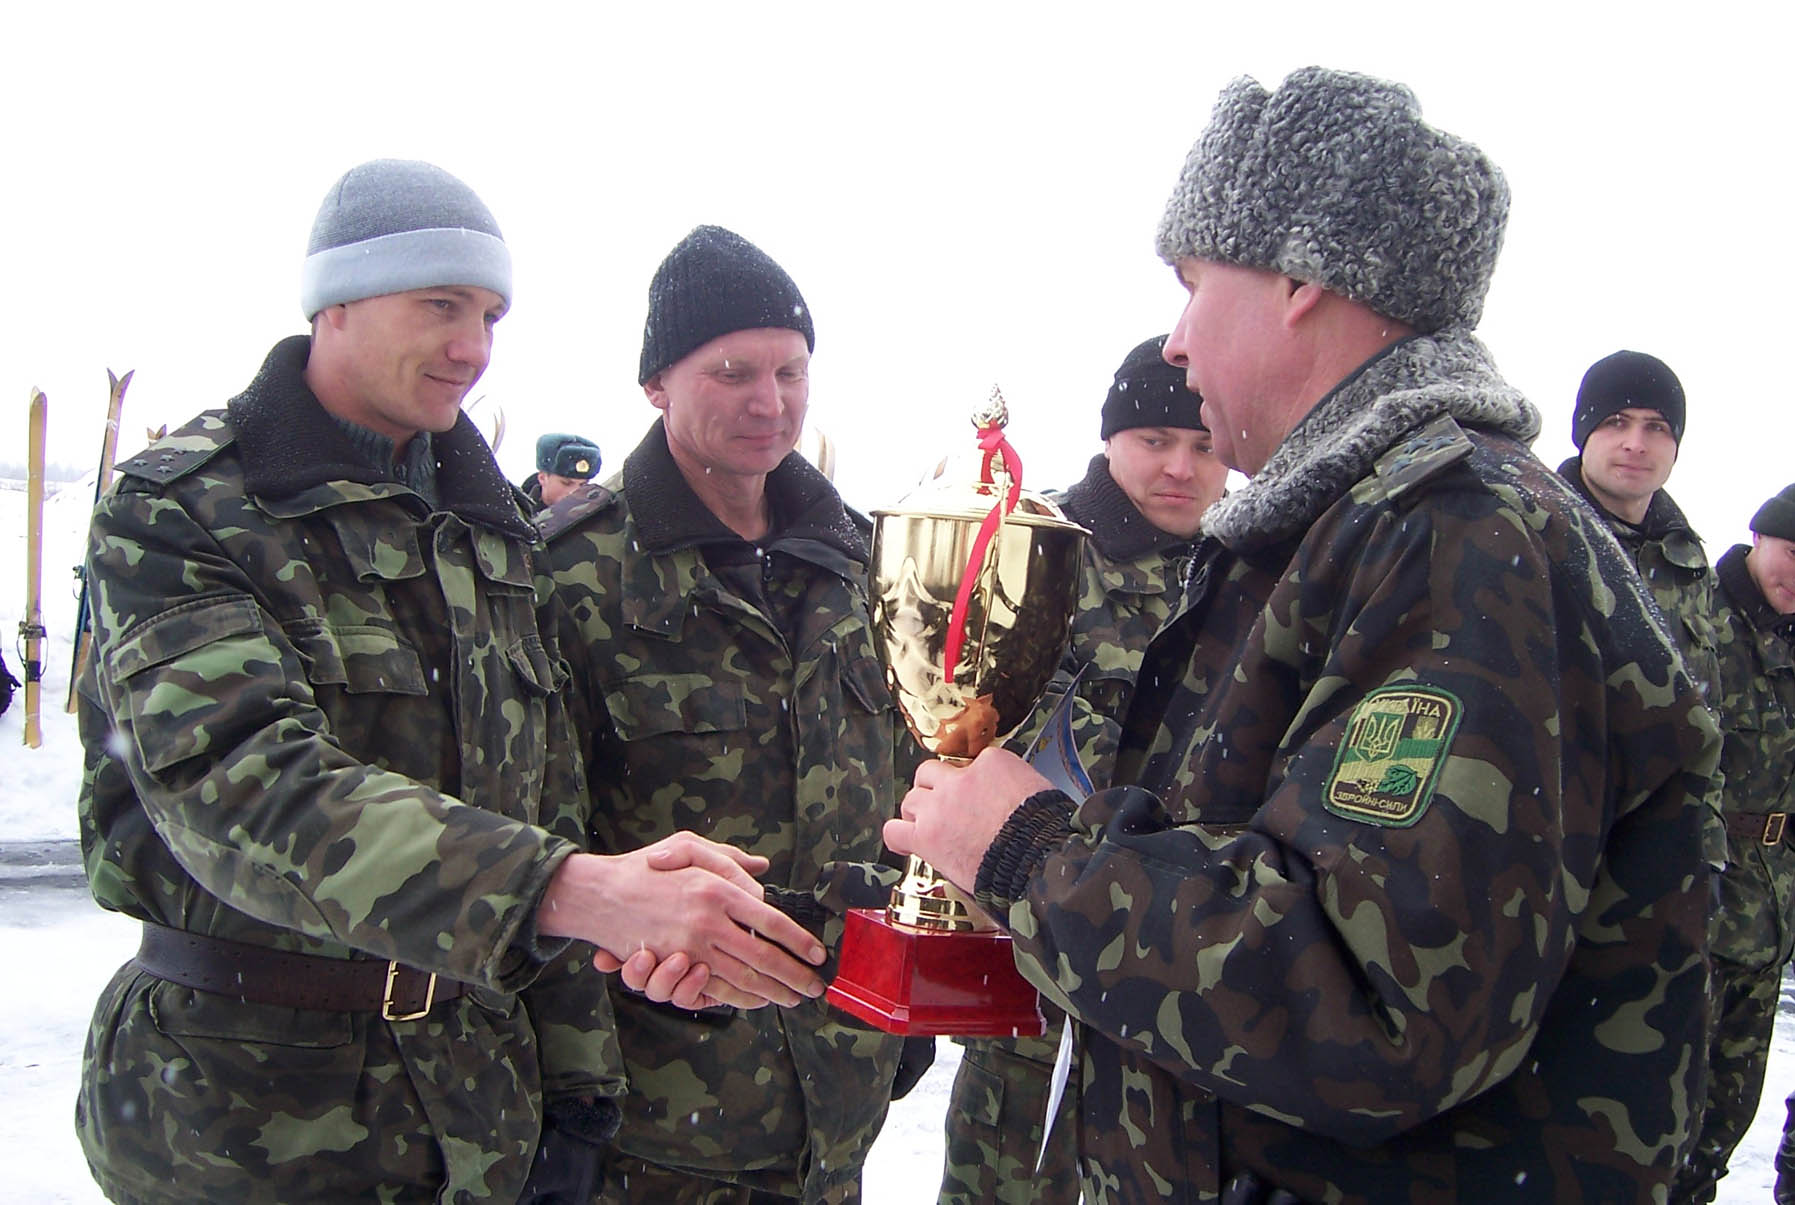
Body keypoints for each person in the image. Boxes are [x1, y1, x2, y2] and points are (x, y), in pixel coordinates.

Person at [884, 67, 1718, 1202]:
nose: (1176, 343)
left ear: (1297, 280)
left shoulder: (1455, 535)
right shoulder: (1349, 527)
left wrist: (1034, 855)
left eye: (1191, 284)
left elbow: (1378, 1006)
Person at [72, 163, 827, 1205]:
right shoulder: (189, 507)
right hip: (249, 1113)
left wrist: (580, 1092)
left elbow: (546, 802)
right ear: (335, 302)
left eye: (490, 315)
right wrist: (576, 890)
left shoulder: (485, 529)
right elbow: (239, 786)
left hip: (474, 1105)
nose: (473, 347)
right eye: (440, 305)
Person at [542, 225, 912, 1203]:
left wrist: (896, 993)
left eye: (791, 372)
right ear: (656, 383)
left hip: (839, 1099)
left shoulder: (862, 563)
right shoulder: (568, 573)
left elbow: (904, 788)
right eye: (732, 372)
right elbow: (535, 845)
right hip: (656, 1118)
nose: (768, 402)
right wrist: (568, 1094)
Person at [938, 334, 1228, 1205]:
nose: (1179, 467)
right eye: (1154, 440)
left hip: (1196, 973)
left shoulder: (1252, 571)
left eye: (1203, 444)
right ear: (1109, 438)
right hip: (1040, 959)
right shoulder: (1039, 554)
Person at [1673, 484, 1795, 1202]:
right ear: (1758, 538)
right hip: (1695, 908)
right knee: (1657, 1119)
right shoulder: (1698, 623)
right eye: (1792, 553)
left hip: (1769, 922)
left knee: (1722, 1124)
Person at [1558, 349, 1722, 697]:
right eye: (1616, 422)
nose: (1635, 444)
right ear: (1584, 434)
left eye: (1656, 427)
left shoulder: (1688, 562)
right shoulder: (1535, 535)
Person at [525, 432, 602, 509]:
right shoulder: (522, 513)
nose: (574, 492)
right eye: (566, 483)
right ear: (542, 478)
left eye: (583, 485)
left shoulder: (593, 511)